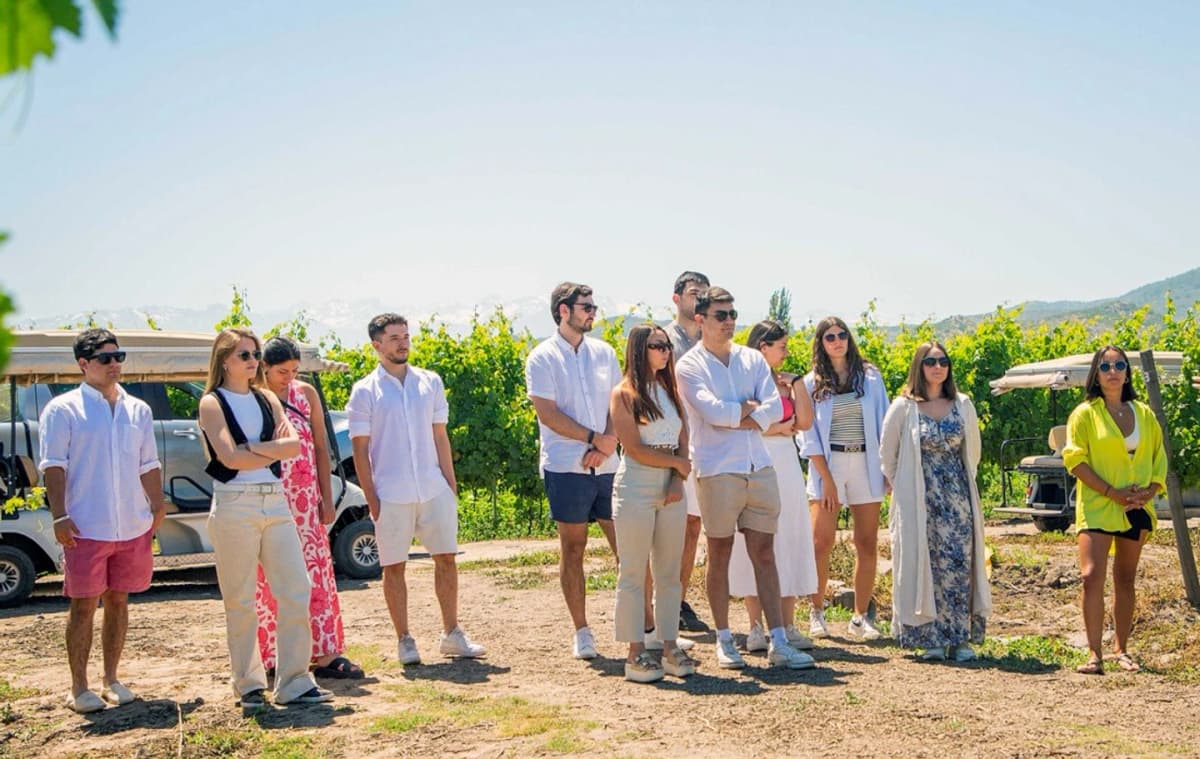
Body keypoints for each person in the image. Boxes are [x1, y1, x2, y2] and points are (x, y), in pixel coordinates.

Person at [675, 287, 815, 670]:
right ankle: (724, 639)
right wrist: (748, 413)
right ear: (701, 318)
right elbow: (711, 412)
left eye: (733, 313)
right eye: (722, 314)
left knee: (765, 554)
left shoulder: (752, 359)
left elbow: (770, 407)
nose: (730, 320)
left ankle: (779, 640)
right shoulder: (689, 366)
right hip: (717, 469)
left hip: (759, 465)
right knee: (719, 555)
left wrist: (743, 414)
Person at [198, 328, 332, 710]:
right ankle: (249, 684)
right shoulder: (212, 402)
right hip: (234, 503)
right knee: (240, 599)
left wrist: (252, 449)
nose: (253, 361)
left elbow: (292, 446)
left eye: (255, 354)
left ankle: (293, 680)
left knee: (296, 588)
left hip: (276, 502)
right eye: (244, 355)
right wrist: (265, 451)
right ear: (224, 360)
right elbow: (228, 457)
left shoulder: (267, 398)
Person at [38, 329, 166, 713]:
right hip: (85, 525)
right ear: (83, 363)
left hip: (130, 522)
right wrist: (60, 514)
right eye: (106, 358)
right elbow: (53, 466)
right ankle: (79, 687)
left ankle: (112, 678)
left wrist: (157, 505)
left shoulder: (137, 410)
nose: (115, 364)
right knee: (82, 605)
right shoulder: (64, 410)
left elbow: (148, 463)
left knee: (119, 600)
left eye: (119, 357)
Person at [346, 313, 486, 665]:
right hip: (390, 493)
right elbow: (360, 449)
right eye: (393, 337)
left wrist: (450, 486)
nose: (402, 342)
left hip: (432, 487)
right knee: (393, 566)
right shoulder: (365, 391)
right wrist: (372, 497)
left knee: (447, 559)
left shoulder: (430, 382)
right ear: (376, 345)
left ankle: (452, 633)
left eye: (405, 336)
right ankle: (404, 639)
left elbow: (441, 435)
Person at [526, 282, 625, 659]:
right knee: (574, 547)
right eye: (586, 306)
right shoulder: (542, 357)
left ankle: (642, 624)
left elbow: (619, 403)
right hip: (566, 465)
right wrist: (593, 438)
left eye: (593, 306)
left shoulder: (604, 353)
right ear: (563, 310)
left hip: (609, 465)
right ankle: (582, 630)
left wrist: (607, 442)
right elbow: (547, 413)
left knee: (627, 546)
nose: (592, 312)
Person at [254, 337, 361, 680]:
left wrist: (326, 498)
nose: (288, 377)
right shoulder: (254, 397)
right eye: (281, 371)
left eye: (294, 370)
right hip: (269, 499)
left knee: (315, 573)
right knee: (270, 575)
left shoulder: (305, 394)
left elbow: (318, 445)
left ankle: (326, 652)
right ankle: (273, 654)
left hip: (305, 500)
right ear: (265, 368)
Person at [880, 341, 991, 662]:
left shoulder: (963, 404)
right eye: (930, 361)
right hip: (918, 501)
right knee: (923, 565)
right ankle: (930, 637)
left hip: (957, 500)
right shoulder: (903, 407)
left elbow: (973, 452)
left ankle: (960, 639)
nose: (938, 366)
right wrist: (904, 488)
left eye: (943, 361)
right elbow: (888, 455)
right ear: (920, 366)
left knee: (958, 565)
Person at [1062, 346, 1166, 675]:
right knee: (1091, 576)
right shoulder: (1085, 414)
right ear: (1096, 373)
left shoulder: (1144, 414)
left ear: (1127, 372)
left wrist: (1149, 491)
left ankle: (1122, 650)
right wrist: (1111, 492)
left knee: (1125, 578)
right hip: (1098, 505)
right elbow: (1075, 459)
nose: (1113, 371)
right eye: (1105, 366)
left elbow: (1158, 458)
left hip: (1135, 507)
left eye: (1119, 365)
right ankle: (1095, 654)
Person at [609, 324, 699, 682]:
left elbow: (683, 438)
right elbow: (633, 448)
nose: (665, 352)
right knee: (632, 571)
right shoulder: (624, 394)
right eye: (657, 346)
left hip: (671, 486)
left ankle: (668, 645)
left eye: (666, 346)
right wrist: (677, 465)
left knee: (669, 572)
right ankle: (634, 652)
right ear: (639, 350)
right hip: (636, 484)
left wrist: (678, 479)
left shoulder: (670, 390)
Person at [727, 321, 818, 653]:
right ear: (763, 347)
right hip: (756, 460)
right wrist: (777, 429)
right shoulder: (744, 380)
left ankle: (788, 623)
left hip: (788, 466)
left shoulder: (785, 382)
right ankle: (755, 626)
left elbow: (805, 422)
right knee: (755, 537)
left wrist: (796, 384)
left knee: (790, 535)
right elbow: (740, 422)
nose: (786, 351)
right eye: (781, 345)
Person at [799, 316, 890, 641]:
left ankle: (860, 617)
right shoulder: (811, 384)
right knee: (820, 543)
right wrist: (827, 480)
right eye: (829, 337)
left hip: (865, 462)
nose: (837, 341)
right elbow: (807, 435)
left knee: (866, 543)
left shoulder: (870, 377)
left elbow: (884, 422)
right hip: (829, 466)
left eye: (841, 335)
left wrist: (887, 469)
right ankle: (817, 612)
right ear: (821, 344)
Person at [664, 270, 712, 633]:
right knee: (668, 524)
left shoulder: (713, 340)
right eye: (694, 293)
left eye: (704, 294)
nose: (700, 299)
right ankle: (662, 600)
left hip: (705, 442)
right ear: (677, 298)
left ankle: (678, 599)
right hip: (672, 443)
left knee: (693, 525)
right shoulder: (664, 339)